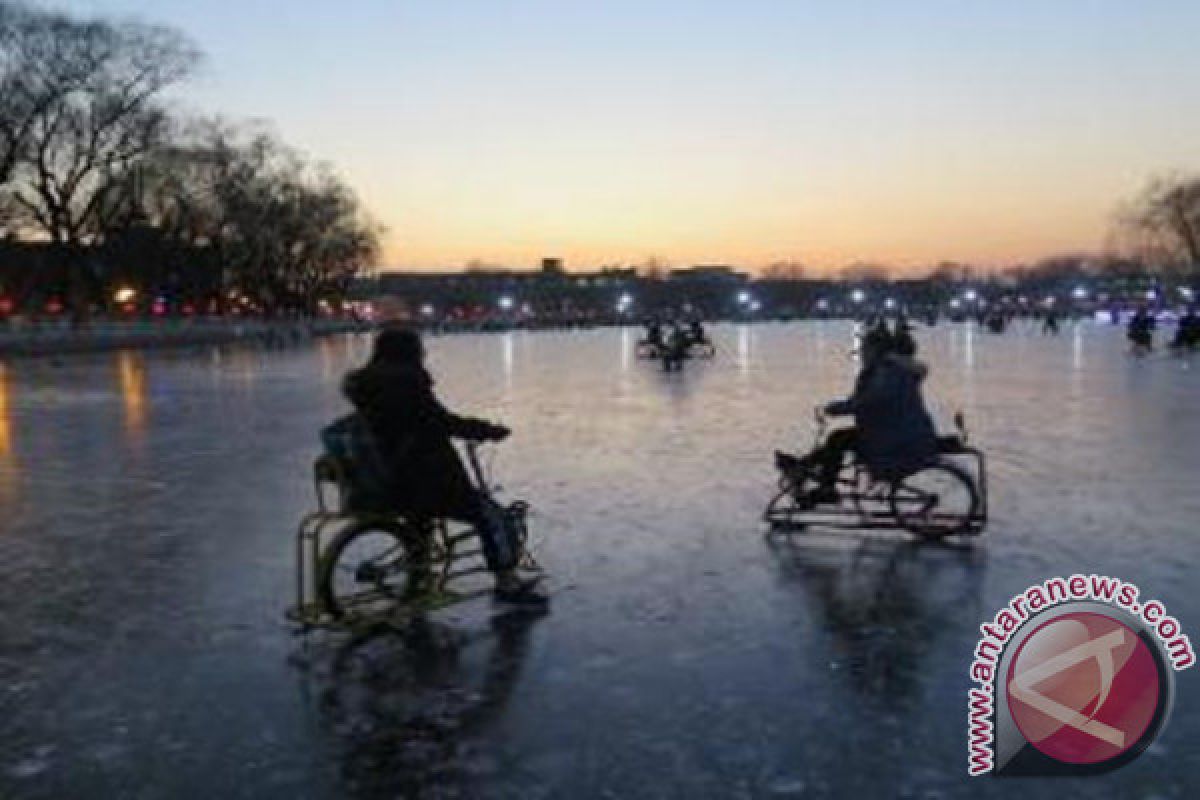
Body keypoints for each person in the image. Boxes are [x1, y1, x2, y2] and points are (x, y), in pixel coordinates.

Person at [342, 327, 546, 605]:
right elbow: (440, 422)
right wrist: (486, 430)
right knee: (491, 517)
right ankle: (506, 582)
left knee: (419, 523)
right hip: (430, 477)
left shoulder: (368, 389)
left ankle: (419, 576)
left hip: (393, 480)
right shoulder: (407, 385)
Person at [777, 325, 937, 507]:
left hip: (896, 438)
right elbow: (864, 400)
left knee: (838, 439)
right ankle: (804, 467)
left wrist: (835, 409)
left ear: (875, 350)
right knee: (839, 439)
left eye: (864, 350)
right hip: (896, 431)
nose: (861, 354)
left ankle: (822, 485)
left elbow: (870, 401)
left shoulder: (887, 372)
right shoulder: (889, 370)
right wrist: (840, 407)